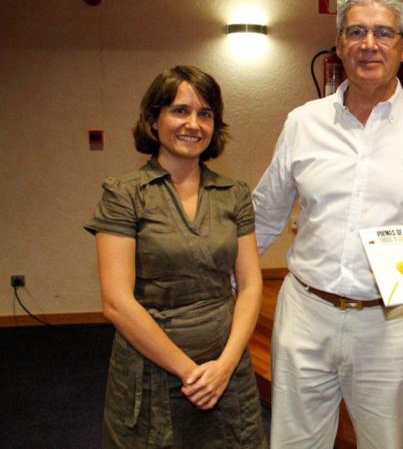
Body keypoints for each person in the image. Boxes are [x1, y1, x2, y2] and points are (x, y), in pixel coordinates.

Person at [253, 0, 403, 448]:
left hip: (394, 323)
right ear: (339, 44)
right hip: (307, 311)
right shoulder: (303, 122)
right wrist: (224, 289)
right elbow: (264, 215)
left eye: (383, 33)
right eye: (356, 31)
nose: (369, 45)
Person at [85, 66, 267, 448]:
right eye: (180, 110)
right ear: (154, 119)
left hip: (225, 366)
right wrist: (191, 373)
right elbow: (116, 303)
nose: (193, 124)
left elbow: (250, 286)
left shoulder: (233, 193)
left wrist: (224, 366)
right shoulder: (124, 194)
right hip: (152, 371)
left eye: (205, 114)